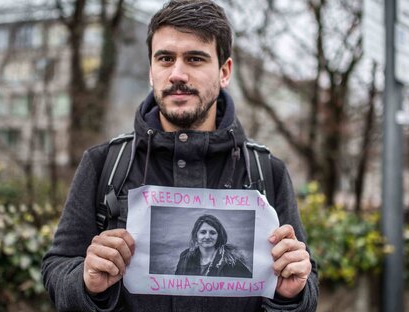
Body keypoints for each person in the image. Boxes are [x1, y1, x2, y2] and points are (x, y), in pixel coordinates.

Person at [41, 0, 318, 311]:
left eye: (195, 59)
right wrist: (86, 282)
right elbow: (57, 269)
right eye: (165, 58)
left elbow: (307, 283)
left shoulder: (267, 171)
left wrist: (291, 294)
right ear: (151, 71)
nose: (177, 74)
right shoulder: (104, 163)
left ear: (224, 72)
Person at [174, 214, 251, 278]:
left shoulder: (232, 262)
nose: (207, 237)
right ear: (196, 235)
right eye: (203, 232)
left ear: (219, 236)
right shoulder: (185, 257)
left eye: (212, 233)